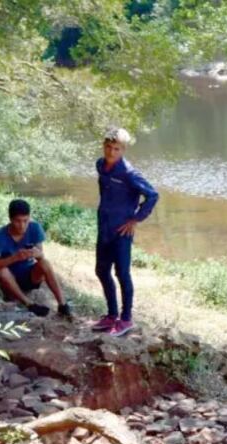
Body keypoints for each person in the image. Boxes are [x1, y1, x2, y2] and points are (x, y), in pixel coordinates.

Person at [92, 127, 158, 337]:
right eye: (109, 147)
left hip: (122, 231)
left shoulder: (129, 173)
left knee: (122, 273)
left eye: (117, 149)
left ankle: (126, 319)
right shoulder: (101, 165)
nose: (112, 152)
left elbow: (152, 196)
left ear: (123, 150)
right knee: (102, 271)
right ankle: (111, 315)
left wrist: (135, 219)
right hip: (104, 227)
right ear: (104, 146)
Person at [0, 199, 71, 318]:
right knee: (2, 271)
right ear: (10, 219)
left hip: (30, 276)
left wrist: (37, 254)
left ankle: (62, 304)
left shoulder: (34, 228)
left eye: (25, 221)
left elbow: (41, 256)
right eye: (18, 221)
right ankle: (29, 304)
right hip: (10, 279)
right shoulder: (0, 235)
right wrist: (14, 258)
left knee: (45, 263)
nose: (22, 225)